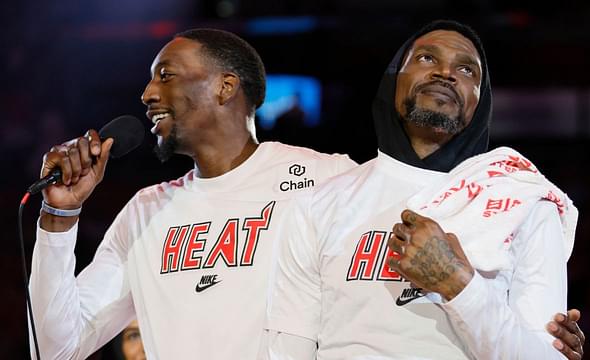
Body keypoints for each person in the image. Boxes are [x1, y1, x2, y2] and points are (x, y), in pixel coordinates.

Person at [28, 29, 356, 359]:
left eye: (165, 75)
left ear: (224, 87)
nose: (147, 94)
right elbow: (55, 350)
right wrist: (59, 217)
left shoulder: (326, 179)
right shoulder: (145, 212)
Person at [266, 20, 585, 359]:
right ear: (393, 80)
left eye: (466, 69)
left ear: (482, 101)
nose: (445, 73)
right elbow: (290, 348)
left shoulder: (526, 202)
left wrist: (458, 284)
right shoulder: (318, 204)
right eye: (426, 59)